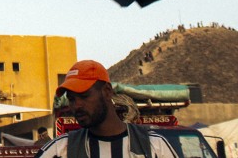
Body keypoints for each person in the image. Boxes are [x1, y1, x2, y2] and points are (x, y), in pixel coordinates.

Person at [34, 60, 177, 158]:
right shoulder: (60, 150)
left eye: (84, 96)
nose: (76, 105)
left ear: (107, 91)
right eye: (72, 99)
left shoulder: (153, 147)